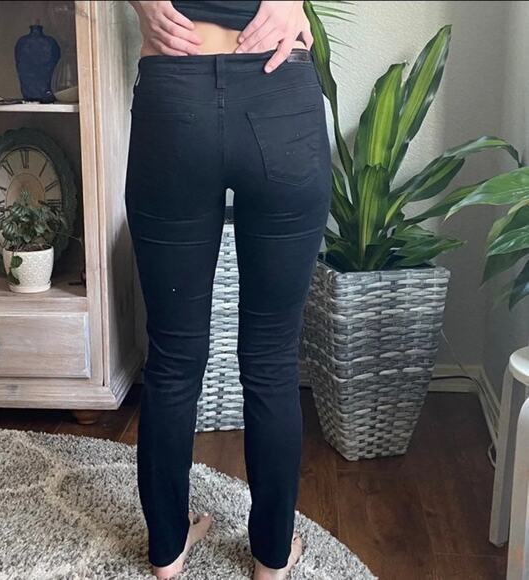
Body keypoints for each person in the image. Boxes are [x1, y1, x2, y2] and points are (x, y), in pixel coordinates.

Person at [125, 2, 331, 579]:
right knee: (272, 357)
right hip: (278, 89)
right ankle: (271, 558)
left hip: (175, 89)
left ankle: (168, 549)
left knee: (172, 356)